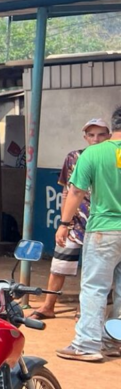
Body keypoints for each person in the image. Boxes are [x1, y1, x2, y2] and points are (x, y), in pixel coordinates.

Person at [56, 105, 121, 362]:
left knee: (95, 287)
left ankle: (87, 344)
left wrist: (64, 223)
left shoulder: (93, 154)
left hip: (104, 230)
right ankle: (115, 341)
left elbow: (75, 192)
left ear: (112, 127)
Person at [34, 118, 111, 320]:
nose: (96, 139)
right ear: (85, 137)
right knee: (59, 264)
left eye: (101, 134)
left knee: (93, 271)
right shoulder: (74, 157)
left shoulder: (113, 157)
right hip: (75, 222)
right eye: (91, 135)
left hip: (101, 223)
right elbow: (67, 192)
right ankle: (48, 306)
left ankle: (84, 311)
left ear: (109, 136)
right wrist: (63, 223)